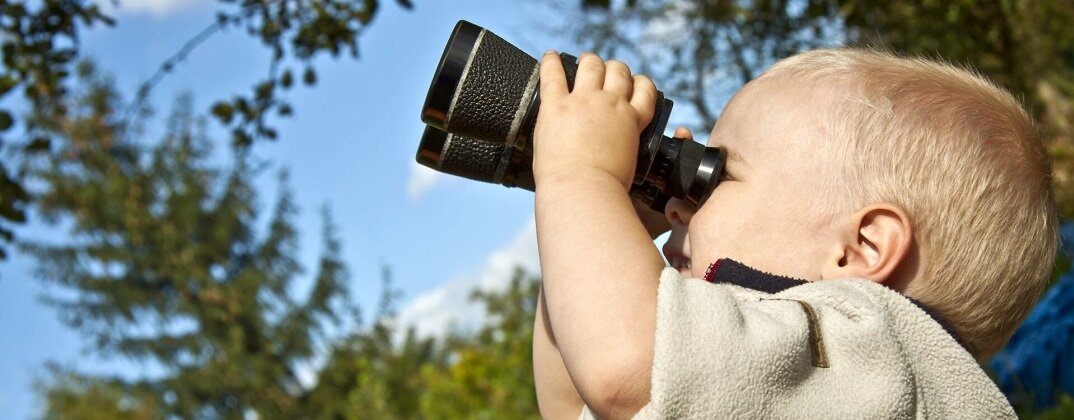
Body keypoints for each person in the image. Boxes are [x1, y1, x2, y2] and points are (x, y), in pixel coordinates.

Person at [529, 47, 1057, 419]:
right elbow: (573, 403)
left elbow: (626, 374)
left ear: (860, 250)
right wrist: (601, 217)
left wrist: (581, 174)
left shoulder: (871, 351)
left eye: (718, 176)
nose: (678, 203)